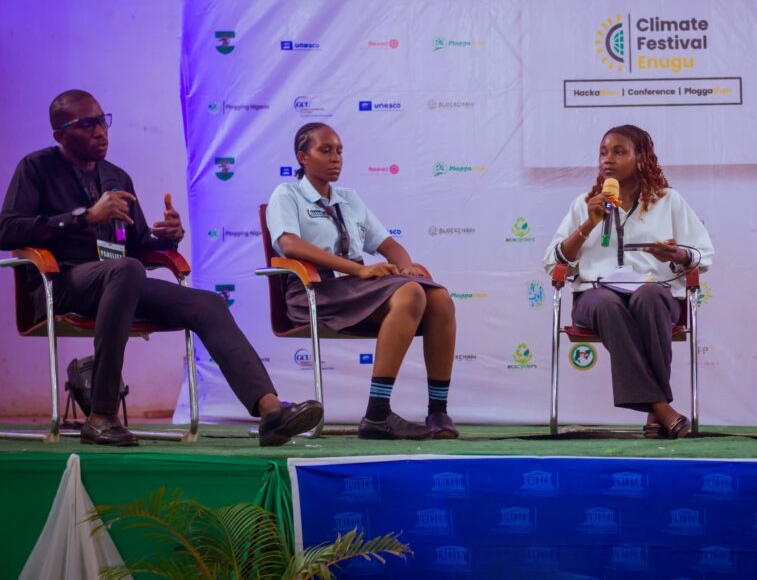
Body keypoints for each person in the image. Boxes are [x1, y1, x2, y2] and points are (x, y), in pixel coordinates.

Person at [0, 89, 323, 447]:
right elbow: (7, 229)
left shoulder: (115, 177)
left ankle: (271, 412)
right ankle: (101, 415)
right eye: (87, 124)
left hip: (120, 283)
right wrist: (83, 218)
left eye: (103, 121)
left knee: (207, 304)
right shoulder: (36, 168)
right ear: (60, 134)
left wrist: (168, 239)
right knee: (125, 270)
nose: (100, 132)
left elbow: (136, 247)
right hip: (61, 282)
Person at [266, 123, 458, 440]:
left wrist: (406, 267)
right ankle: (378, 414)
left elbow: (390, 246)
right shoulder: (287, 194)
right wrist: (358, 270)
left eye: (339, 151)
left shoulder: (349, 199)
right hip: (314, 292)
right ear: (302, 156)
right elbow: (289, 245)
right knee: (410, 293)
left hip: (355, 290)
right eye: (325, 150)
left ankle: (438, 412)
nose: (335, 158)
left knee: (439, 299)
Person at [543, 124, 714, 439]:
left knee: (649, 298)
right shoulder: (586, 204)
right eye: (604, 152)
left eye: (619, 151)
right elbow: (554, 263)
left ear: (641, 159)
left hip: (655, 294)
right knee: (608, 305)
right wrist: (587, 226)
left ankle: (654, 413)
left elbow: (703, 255)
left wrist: (676, 254)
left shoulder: (669, 201)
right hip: (595, 297)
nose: (608, 159)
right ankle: (661, 408)